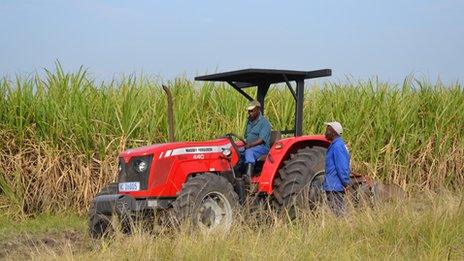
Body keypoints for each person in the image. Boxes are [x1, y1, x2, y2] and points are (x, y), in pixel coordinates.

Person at [323, 121, 350, 216]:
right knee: (335, 214)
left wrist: (346, 183)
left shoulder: (338, 146)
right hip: (332, 186)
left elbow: (342, 167)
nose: (325, 133)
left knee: (338, 215)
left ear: (334, 132)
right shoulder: (335, 145)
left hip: (335, 187)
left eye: (327, 130)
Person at [240, 100, 271, 179]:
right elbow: (246, 136)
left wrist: (249, 145)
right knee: (236, 152)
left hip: (262, 147)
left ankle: (248, 176)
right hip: (250, 146)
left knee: (249, 152)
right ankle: (237, 174)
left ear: (258, 110)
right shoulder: (249, 122)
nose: (250, 113)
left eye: (252, 111)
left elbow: (261, 140)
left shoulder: (264, 123)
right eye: (249, 111)